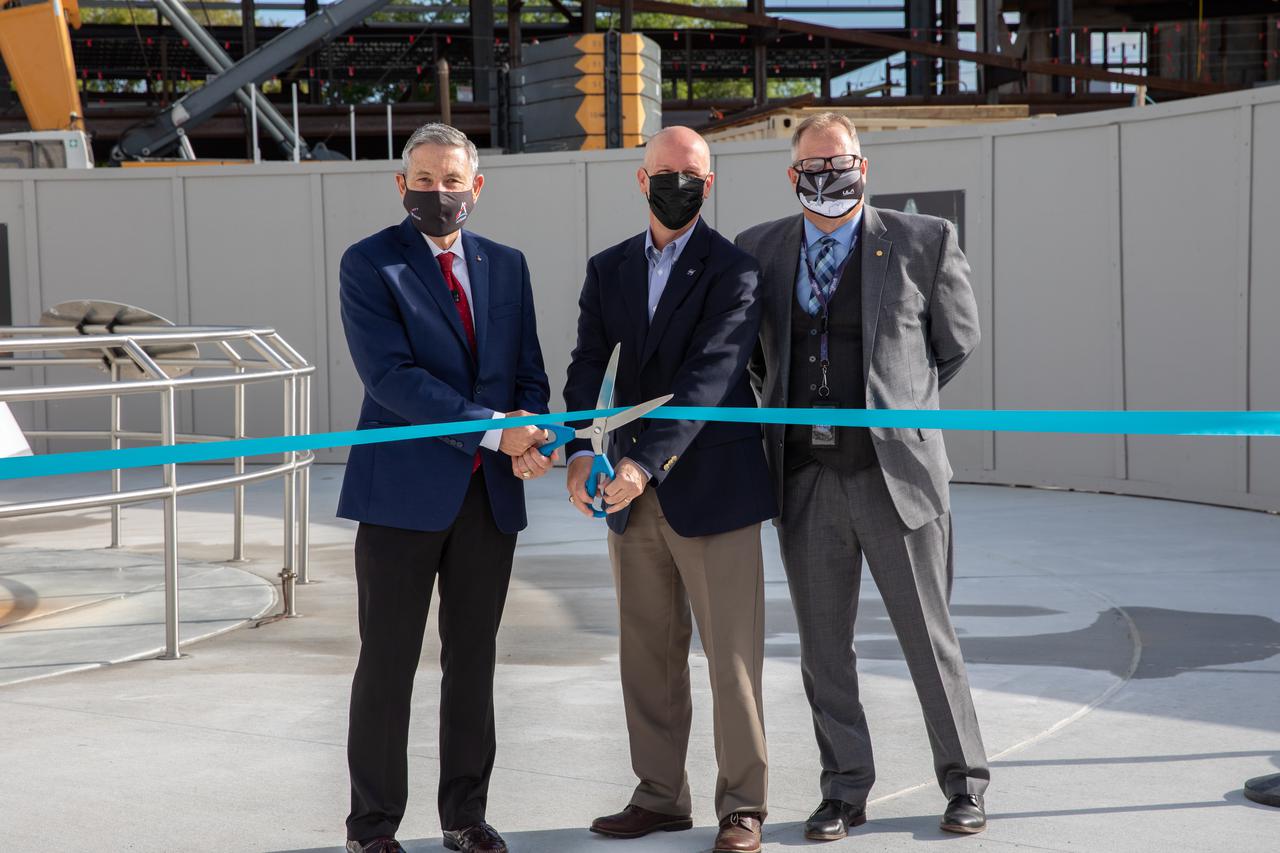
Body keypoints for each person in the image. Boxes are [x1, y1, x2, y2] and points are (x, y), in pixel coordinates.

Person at [735, 112, 990, 839]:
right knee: (823, 650)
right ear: (793, 174)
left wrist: (896, 407)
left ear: (863, 165)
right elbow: (758, 359)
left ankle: (965, 783)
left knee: (928, 638)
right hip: (805, 478)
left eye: (839, 161)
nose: (828, 175)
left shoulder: (924, 240)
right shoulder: (760, 249)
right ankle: (844, 789)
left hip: (896, 477)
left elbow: (955, 343)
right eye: (813, 165)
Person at [336, 123, 553, 853]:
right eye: (424, 180)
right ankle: (372, 827)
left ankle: (465, 815)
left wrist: (532, 437)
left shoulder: (507, 265)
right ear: (402, 185)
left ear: (476, 187)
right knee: (387, 662)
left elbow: (527, 371)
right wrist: (495, 431)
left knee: (473, 662)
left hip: (488, 500)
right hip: (401, 496)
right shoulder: (371, 263)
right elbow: (390, 378)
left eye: (452, 181)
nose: (439, 193)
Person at [563, 126, 778, 853]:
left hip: (712, 488)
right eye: (665, 172)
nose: (677, 184)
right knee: (647, 655)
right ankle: (659, 795)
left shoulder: (735, 270)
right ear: (641, 178)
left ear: (708, 185)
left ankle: (742, 805)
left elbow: (711, 376)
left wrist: (641, 464)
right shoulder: (609, 268)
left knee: (732, 659)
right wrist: (576, 449)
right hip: (630, 498)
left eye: (692, 174)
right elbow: (587, 362)